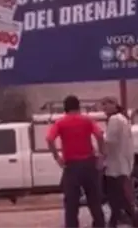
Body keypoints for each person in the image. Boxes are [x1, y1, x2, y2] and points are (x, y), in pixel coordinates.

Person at [46, 95, 106, 228]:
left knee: (71, 204)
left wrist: (57, 157)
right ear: (79, 107)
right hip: (89, 164)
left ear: (65, 108)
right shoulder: (87, 120)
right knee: (94, 201)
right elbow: (99, 135)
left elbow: (49, 139)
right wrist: (101, 155)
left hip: (71, 166)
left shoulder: (60, 123)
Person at [100, 97, 138, 228]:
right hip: (123, 164)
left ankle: (126, 222)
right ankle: (121, 222)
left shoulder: (114, 120)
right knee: (119, 196)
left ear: (114, 104)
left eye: (106, 104)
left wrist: (101, 159)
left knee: (115, 197)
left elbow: (109, 142)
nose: (104, 108)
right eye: (102, 105)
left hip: (114, 166)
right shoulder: (123, 119)